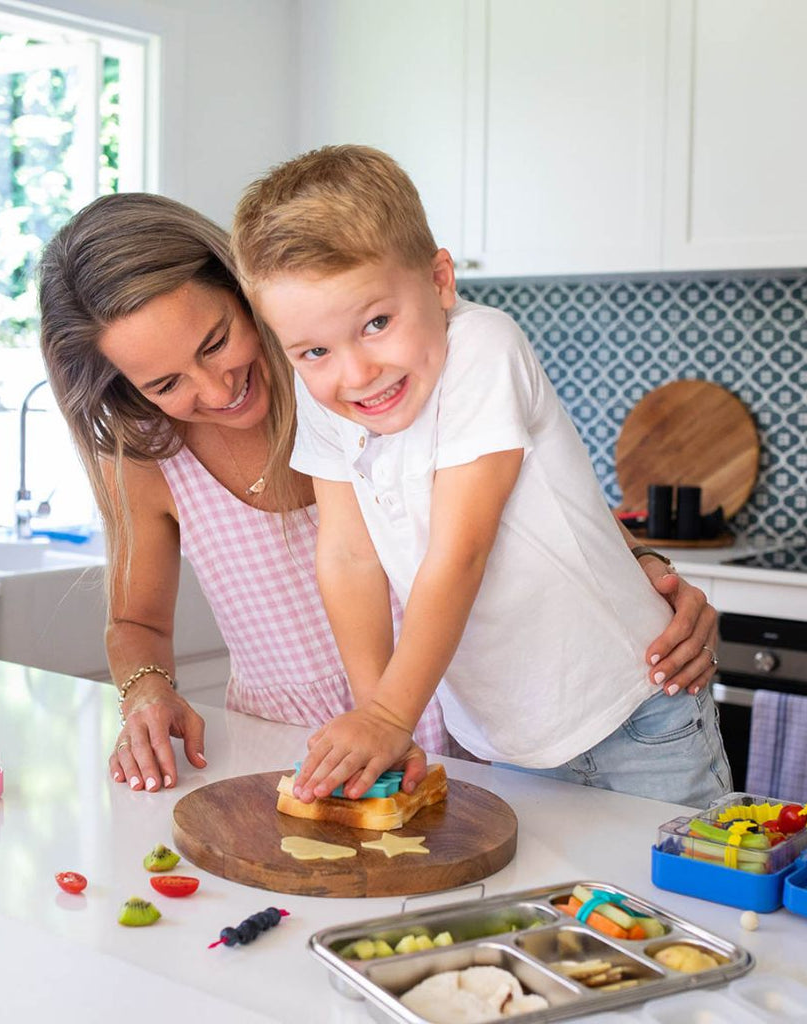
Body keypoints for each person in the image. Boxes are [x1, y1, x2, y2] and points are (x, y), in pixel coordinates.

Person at [38, 191, 717, 795]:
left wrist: (643, 573)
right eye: (165, 384)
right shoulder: (169, 450)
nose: (215, 391)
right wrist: (144, 690)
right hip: (335, 746)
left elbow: (500, 515)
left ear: (244, 289)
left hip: (471, 724)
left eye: (217, 343)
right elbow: (340, 560)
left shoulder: (386, 373)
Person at [231, 145, 731, 807]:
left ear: (440, 281)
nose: (354, 374)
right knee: (555, 907)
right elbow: (350, 556)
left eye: (377, 323)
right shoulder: (326, 399)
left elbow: (461, 550)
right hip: (508, 739)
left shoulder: (482, 348)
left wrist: (388, 718)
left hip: (636, 707)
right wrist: (375, 704)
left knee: (685, 895)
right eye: (315, 350)